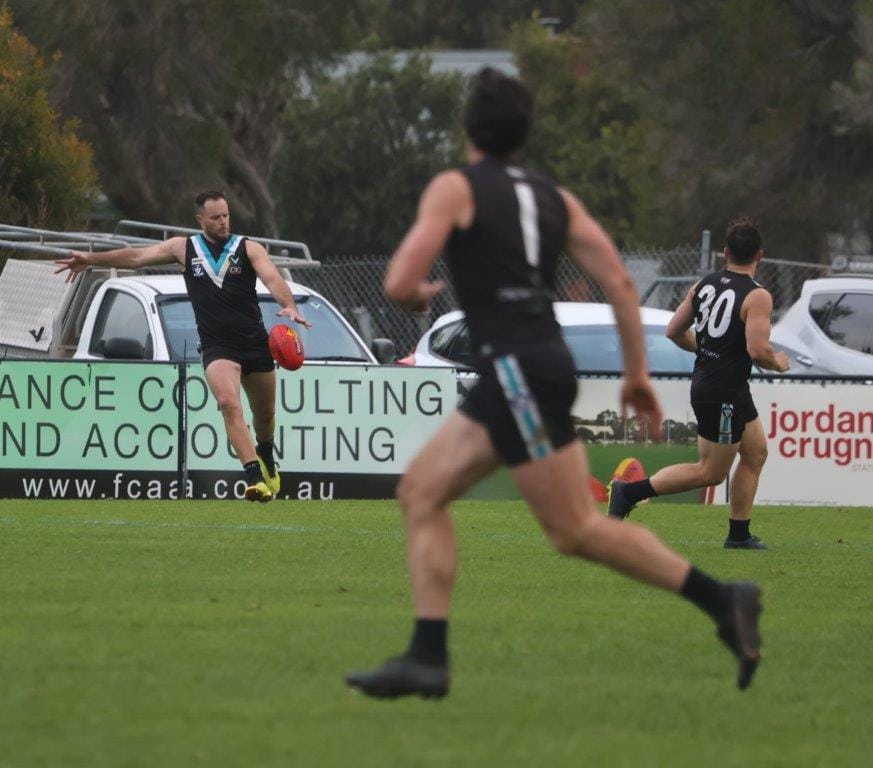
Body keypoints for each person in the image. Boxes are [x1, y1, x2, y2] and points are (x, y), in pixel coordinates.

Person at [345, 68, 763, 700]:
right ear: (523, 133)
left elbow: (401, 282)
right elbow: (620, 283)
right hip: (543, 366)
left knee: (446, 499)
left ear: (469, 129)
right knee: (566, 528)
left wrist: (418, 293)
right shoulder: (553, 197)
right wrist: (636, 375)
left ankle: (429, 655)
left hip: (513, 372)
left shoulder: (455, 188)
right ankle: (722, 600)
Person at [53, 191, 311, 502]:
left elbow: (272, 278)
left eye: (226, 215)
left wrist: (289, 304)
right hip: (218, 347)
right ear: (200, 220)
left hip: (255, 342)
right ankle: (254, 478)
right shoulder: (184, 248)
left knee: (265, 415)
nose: (223, 221)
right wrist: (91, 259)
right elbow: (136, 256)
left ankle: (266, 453)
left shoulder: (248, 248)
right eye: (215, 217)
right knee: (228, 404)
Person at [607, 218, 789, 549]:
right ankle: (629, 492)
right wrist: (777, 364)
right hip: (722, 392)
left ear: (725, 252)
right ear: (759, 254)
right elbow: (758, 350)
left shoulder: (704, 285)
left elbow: (674, 330)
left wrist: (708, 349)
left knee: (756, 451)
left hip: (724, 386)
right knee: (710, 472)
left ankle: (738, 535)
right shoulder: (757, 296)